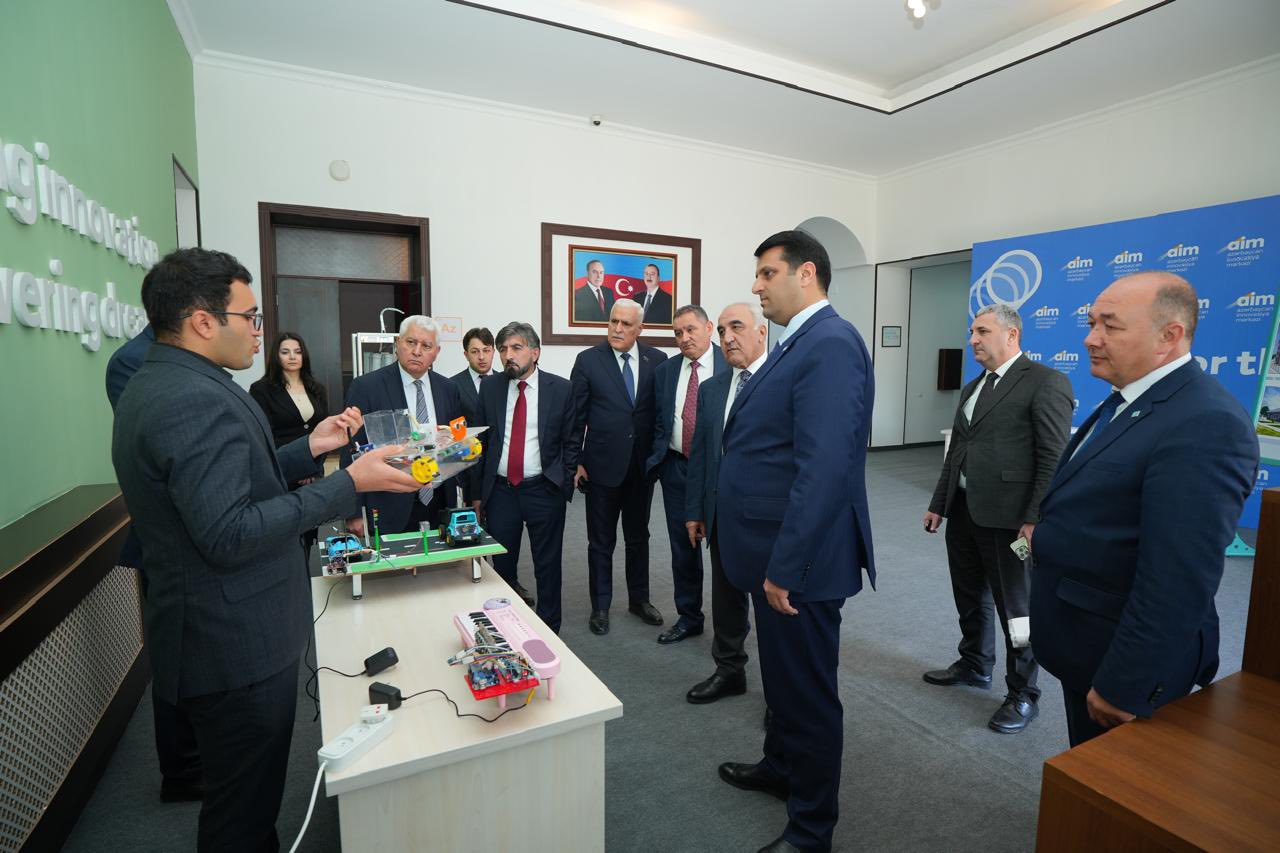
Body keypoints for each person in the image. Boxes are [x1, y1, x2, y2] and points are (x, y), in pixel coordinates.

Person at [111, 247, 421, 851]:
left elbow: (231, 481)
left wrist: (308, 449)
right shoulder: (189, 399)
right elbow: (229, 531)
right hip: (234, 642)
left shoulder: (172, 381)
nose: (261, 329)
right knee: (242, 816)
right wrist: (347, 484)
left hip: (224, 631)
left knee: (245, 802)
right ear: (204, 321)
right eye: (250, 316)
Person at [1030, 271, 1257, 747]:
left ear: (1169, 336)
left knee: (1117, 784)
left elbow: (1179, 576)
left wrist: (1127, 682)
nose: (1091, 338)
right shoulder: (1130, 400)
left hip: (1122, 664)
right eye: (1091, 323)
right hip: (1084, 640)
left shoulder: (1206, 422)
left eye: (1110, 326)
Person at [716, 231, 875, 853]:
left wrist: (786, 566)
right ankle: (780, 768)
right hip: (773, 551)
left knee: (807, 696)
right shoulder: (798, 342)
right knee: (782, 682)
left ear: (805, 273)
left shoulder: (830, 343)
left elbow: (824, 468)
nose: (756, 286)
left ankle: (811, 829)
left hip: (799, 562)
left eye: (766, 274)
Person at [921, 304, 1072, 734]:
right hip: (964, 513)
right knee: (969, 596)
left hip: (1011, 521)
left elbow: (1053, 458)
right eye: (972, 331)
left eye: (982, 331)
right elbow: (958, 452)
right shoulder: (973, 387)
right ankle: (974, 664)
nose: (973, 340)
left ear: (1011, 335)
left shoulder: (1045, 382)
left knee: (1018, 612)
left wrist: (1035, 518)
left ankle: (1024, 693)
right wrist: (939, 503)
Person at [106, 322, 204, 804]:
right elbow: (173, 451)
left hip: (197, 538)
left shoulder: (187, 359)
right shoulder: (134, 361)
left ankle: (198, 759)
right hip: (171, 544)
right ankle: (181, 771)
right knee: (176, 660)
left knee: (197, 659)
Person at [684, 302, 769, 703]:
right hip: (721, 515)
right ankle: (729, 670)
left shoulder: (782, 379)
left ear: (762, 332)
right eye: (721, 330)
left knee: (771, 608)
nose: (727, 337)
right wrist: (695, 510)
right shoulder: (712, 388)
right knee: (726, 600)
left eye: (737, 327)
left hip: (767, 520)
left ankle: (780, 694)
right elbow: (701, 454)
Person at [570, 299, 668, 635]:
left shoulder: (657, 360)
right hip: (601, 467)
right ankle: (600, 606)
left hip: (641, 468)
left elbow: (660, 415)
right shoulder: (588, 361)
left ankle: (639, 599)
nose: (617, 328)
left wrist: (656, 458)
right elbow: (575, 418)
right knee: (601, 541)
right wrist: (576, 462)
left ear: (640, 329)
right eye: (613, 321)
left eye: (626, 324)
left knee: (639, 537)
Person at [473, 322, 577, 633]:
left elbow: (572, 441)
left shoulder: (561, 389)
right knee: (502, 566)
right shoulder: (490, 388)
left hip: (544, 490)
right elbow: (481, 443)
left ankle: (549, 630)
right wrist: (478, 494)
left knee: (548, 565)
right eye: (503, 349)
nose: (508, 355)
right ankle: (506, 628)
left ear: (535, 352)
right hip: (501, 492)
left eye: (516, 348)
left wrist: (562, 480)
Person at [644, 305, 727, 644]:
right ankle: (689, 617)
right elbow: (660, 420)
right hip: (678, 468)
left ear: (708, 328)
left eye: (691, 329)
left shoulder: (730, 364)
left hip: (720, 472)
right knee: (683, 548)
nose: (684, 338)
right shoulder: (665, 371)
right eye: (678, 333)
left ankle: (729, 628)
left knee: (725, 550)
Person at [341, 315, 465, 537]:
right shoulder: (367, 387)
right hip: (387, 501)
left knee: (439, 559)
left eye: (426, 346)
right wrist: (353, 511)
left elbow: (455, 441)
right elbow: (351, 448)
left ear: (436, 352)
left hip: (438, 500)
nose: (417, 351)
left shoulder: (448, 389)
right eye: (411, 342)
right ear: (397, 343)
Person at [250, 332, 330, 556]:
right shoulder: (261, 390)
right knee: (286, 538)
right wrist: (297, 465)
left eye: (297, 351)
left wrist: (312, 467)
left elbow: (325, 431)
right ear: (276, 356)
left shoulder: (316, 389)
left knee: (310, 535)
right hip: (281, 474)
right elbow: (264, 436)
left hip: (313, 474)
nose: (292, 357)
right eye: (285, 352)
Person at [450, 326, 496, 426]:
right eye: (475, 352)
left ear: (493, 352)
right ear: (466, 355)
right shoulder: (452, 385)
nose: (481, 357)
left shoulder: (505, 381)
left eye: (486, 350)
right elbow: (454, 425)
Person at [573, 258, 615, 322]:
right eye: (595, 272)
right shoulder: (577, 294)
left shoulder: (609, 292)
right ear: (587, 273)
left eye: (601, 272)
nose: (599, 276)